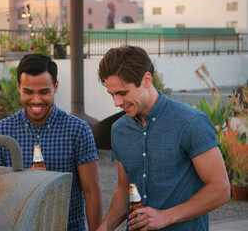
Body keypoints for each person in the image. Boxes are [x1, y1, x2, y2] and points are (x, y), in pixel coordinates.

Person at [96, 45, 230, 231]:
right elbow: (124, 188)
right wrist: (105, 226)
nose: (116, 103)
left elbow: (220, 189)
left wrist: (165, 217)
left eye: (122, 93)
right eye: (112, 94)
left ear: (147, 79)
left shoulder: (191, 122)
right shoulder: (119, 129)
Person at [0, 54, 102, 231]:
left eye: (43, 92)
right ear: (18, 87)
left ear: (55, 87)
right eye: (28, 92)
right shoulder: (3, 131)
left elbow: (91, 191)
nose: (36, 100)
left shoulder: (78, 130)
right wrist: (25, 181)